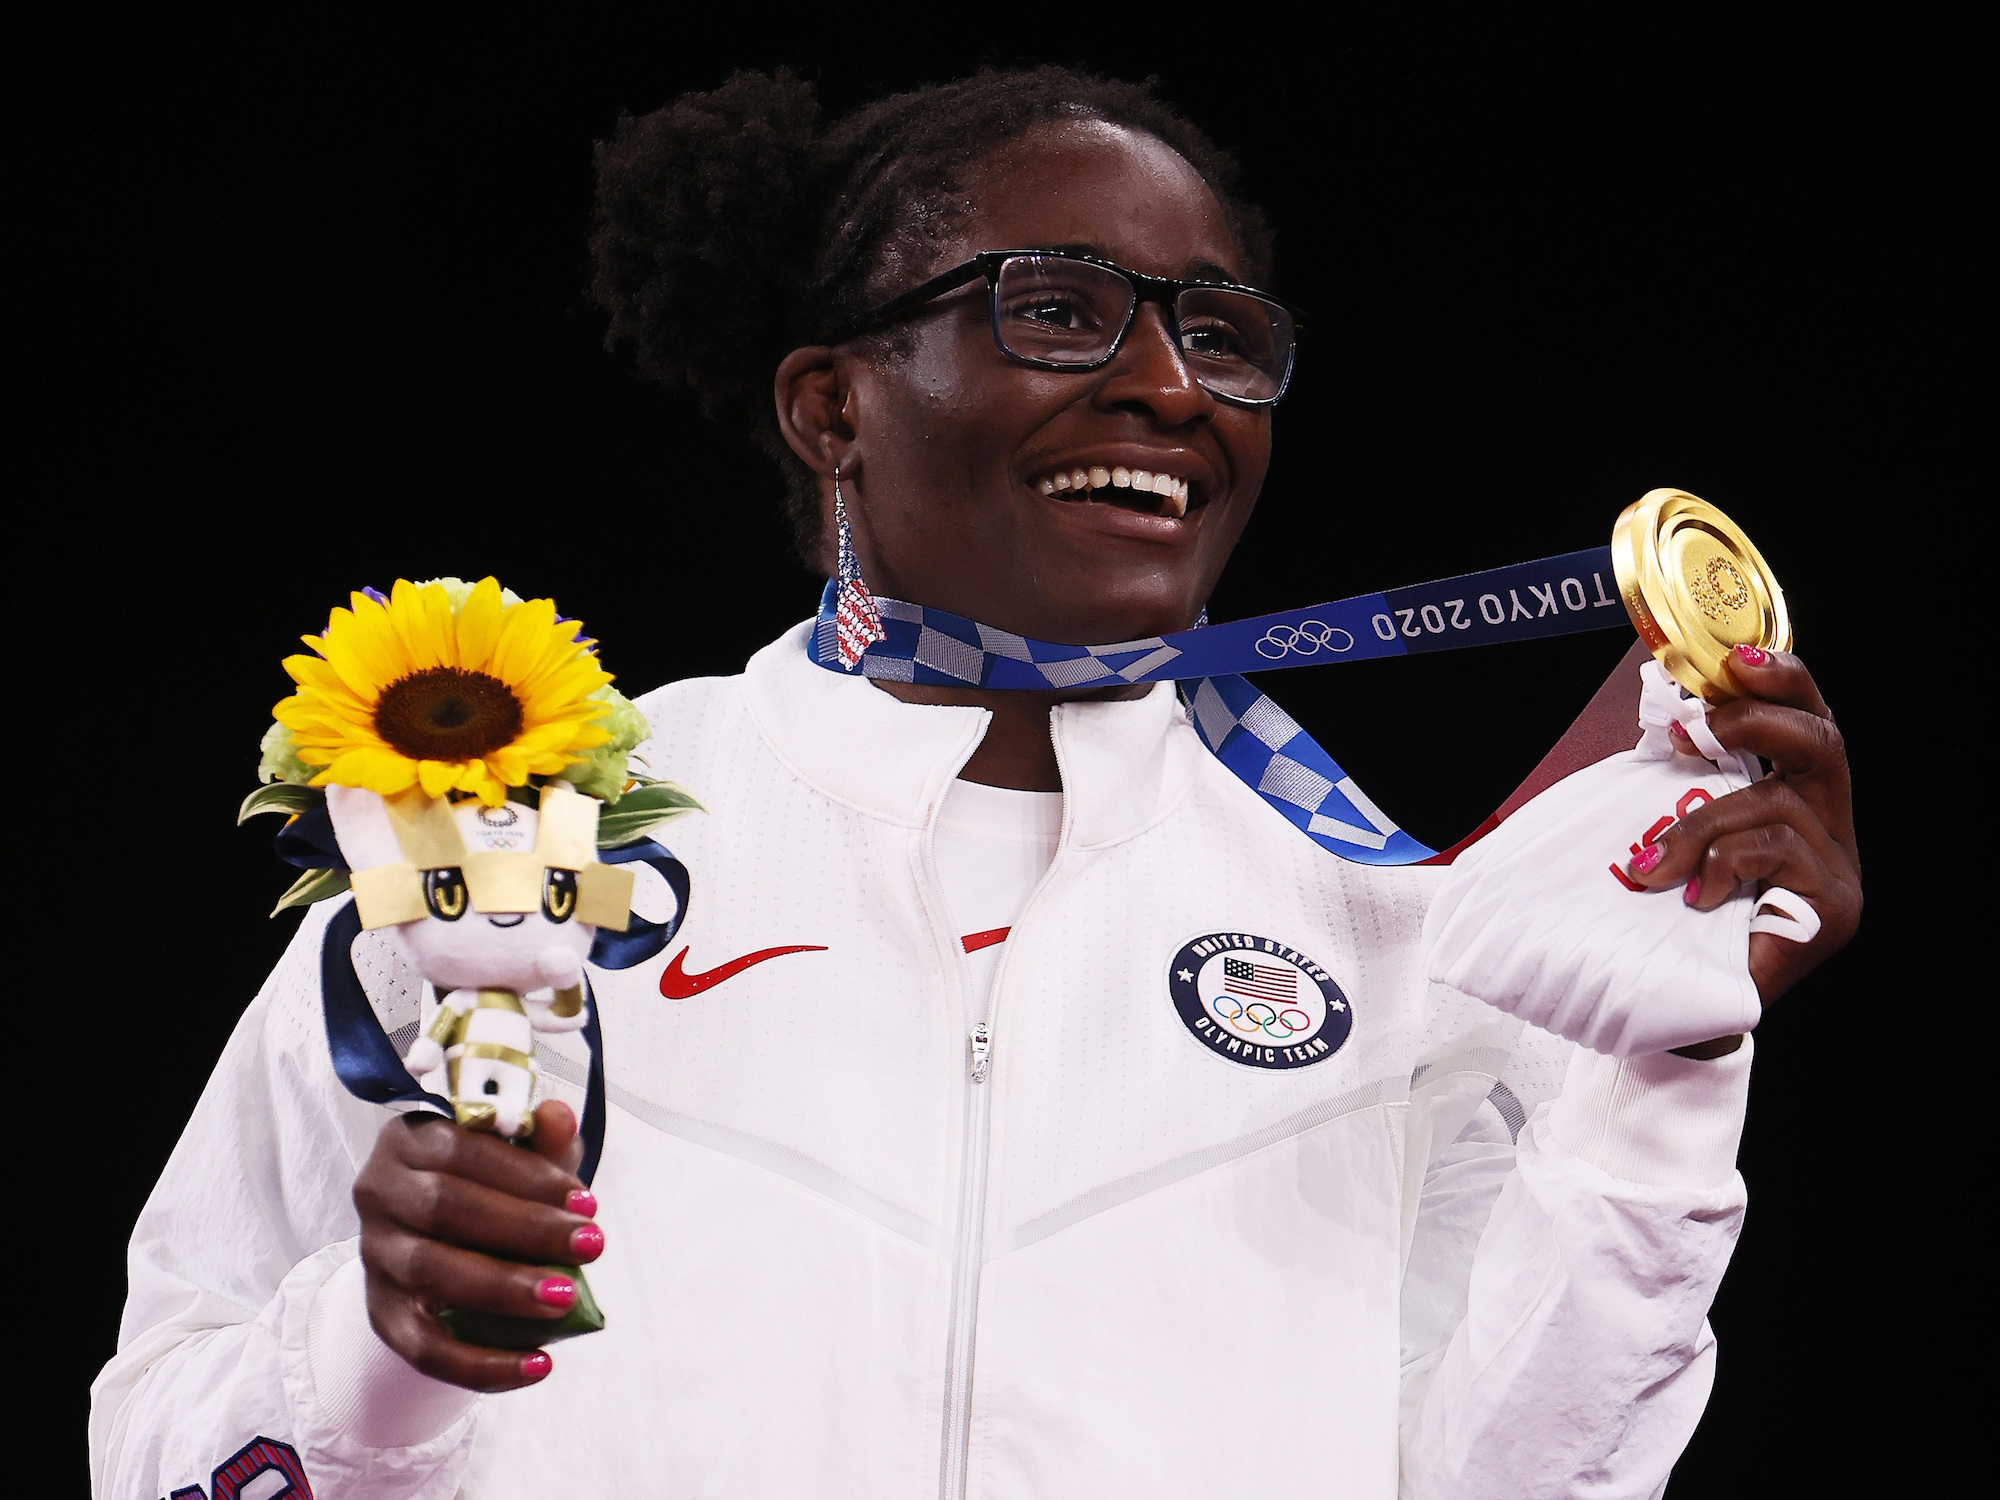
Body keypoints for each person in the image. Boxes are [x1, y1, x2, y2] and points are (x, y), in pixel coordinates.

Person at [90, 66, 1861, 1498]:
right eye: (1061, 311)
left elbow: (1514, 1484)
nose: (1168, 385)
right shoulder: (515, 838)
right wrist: (374, 1365)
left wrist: (1662, 1077)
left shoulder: (1397, 931)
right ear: (830, 408)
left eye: (1220, 336)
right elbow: (155, 1444)